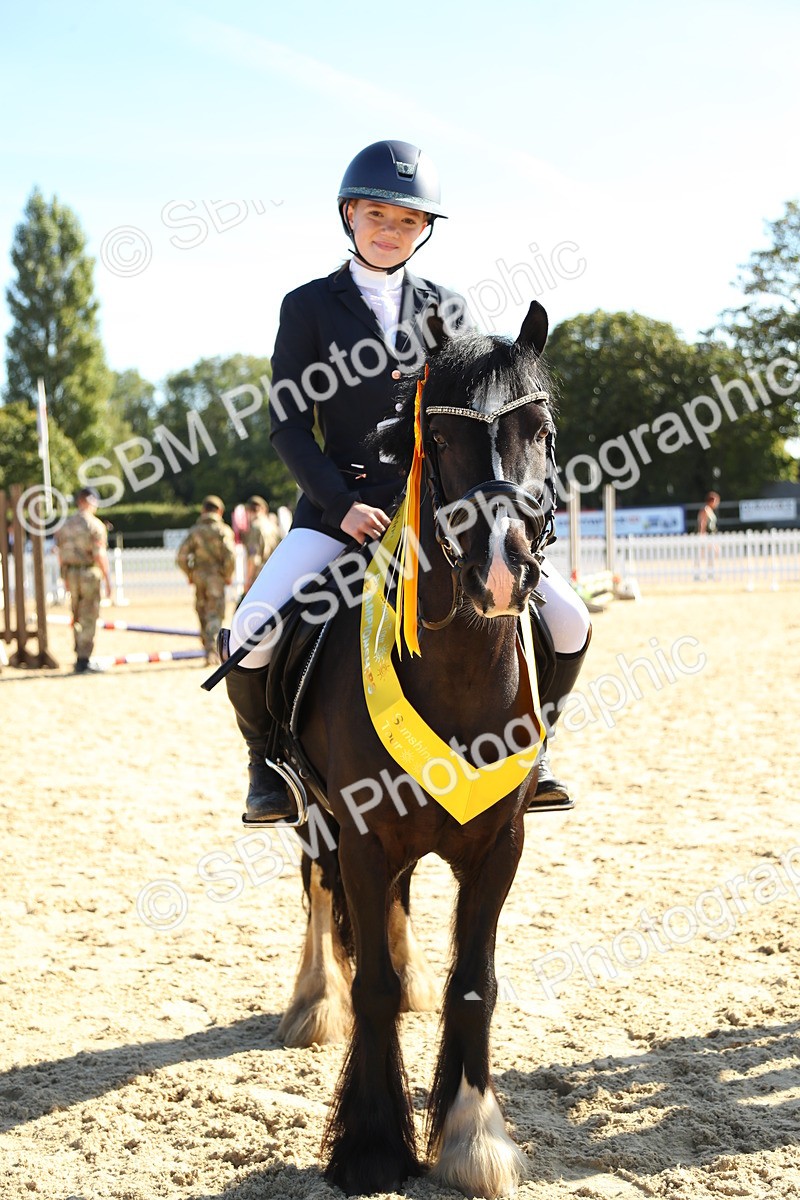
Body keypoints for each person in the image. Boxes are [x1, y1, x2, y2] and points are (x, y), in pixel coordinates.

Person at [224, 139, 591, 822]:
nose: (390, 233)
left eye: (407, 222)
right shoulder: (307, 307)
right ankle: (268, 766)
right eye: (377, 217)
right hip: (341, 505)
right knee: (249, 630)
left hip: (440, 508)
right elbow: (287, 427)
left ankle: (534, 752)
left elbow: (482, 424)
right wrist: (340, 507)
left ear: (424, 231)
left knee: (569, 618)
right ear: (348, 216)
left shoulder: (450, 309)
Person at [55, 486, 112, 674]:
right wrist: (108, 579)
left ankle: (78, 654)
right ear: (89, 501)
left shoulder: (65, 525)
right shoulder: (95, 525)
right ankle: (83, 659)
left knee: (77, 616)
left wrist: (65, 577)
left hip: (71, 574)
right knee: (89, 616)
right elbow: (99, 555)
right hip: (88, 574)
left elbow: (61, 555)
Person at [176, 496, 236, 665]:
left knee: (202, 611)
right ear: (220, 511)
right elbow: (230, 556)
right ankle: (213, 652)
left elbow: (181, 557)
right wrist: (227, 574)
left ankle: (206, 649)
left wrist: (190, 573)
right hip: (216, 578)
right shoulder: (223, 530)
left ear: (203, 510)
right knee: (215, 613)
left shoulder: (195, 531)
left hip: (199, 577)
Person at [242, 496, 281, 593]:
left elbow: (254, 558)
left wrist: (248, 581)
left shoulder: (255, 527)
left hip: (259, 576)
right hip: (274, 573)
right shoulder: (273, 527)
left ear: (249, 511)